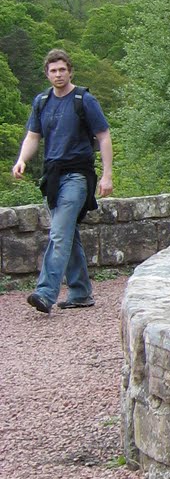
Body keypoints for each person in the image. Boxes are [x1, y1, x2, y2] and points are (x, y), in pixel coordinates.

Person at [12, 48, 113, 313]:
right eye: (53, 70)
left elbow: (103, 135)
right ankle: (81, 292)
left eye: (62, 70)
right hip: (53, 177)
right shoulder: (42, 101)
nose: (58, 74)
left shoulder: (84, 99)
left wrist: (107, 175)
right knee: (68, 234)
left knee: (58, 233)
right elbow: (33, 135)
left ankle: (45, 293)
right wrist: (22, 159)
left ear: (70, 71)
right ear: (47, 74)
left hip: (78, 175)